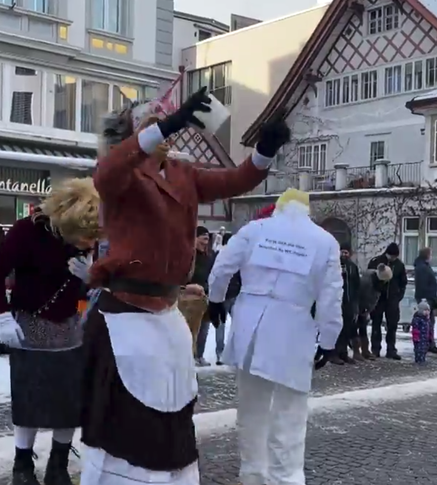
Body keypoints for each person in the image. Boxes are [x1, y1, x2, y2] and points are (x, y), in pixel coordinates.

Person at [80, 87, 289, 485]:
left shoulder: (183, 174)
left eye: (166, 125)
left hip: (166, 313)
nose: (165, 133)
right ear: (133, 133)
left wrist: (265, 148)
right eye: (153, 126)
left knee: (174, 405)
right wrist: (169, 123)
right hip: (126, 316)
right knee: (129, 418)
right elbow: (106, 173)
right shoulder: (121, 173)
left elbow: (235, 180)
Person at [206, 188, 342, 485]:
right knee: (289, 417)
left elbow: (223, 267)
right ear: (307, 211)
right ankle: (287, 479)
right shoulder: (324, 241)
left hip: (250, 328)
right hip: (293, 330)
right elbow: (331, 296)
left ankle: (253, 475)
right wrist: (329, 339)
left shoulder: (255, 229)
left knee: (251, 413)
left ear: (278, 206)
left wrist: (215, 298)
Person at [0, 178, 99, 485]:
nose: (90, 245)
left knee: (69, 402)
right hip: (29, 327)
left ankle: (58, 465)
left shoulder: (88, 235)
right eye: (86, 238)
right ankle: (22, 465)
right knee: (29, 399)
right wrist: (1, 316)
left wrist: (92, 282)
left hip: (71, 329)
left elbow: (88, 289)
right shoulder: (27, 232)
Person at [367, 243, 407, 360]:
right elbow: (370, 278)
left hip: (392, 298)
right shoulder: (376, 261)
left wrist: (398, 296)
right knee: (376, 323)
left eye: (395, 257)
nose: (393, 258)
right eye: (391, 256)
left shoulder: (399, 265)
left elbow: (403, 282)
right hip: (378, 298)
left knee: (392, 324)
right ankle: (375, 349)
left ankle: (391, 349)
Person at [212, 232, 242, 366]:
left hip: (232, 294)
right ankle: (222, 353)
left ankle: (227, 353)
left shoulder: (222, 255)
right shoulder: (223, 255)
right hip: (226, 295)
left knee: (233, 325)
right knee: (225, 325)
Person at [189, 226, 214, 366]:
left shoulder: (209, 257)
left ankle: (200, 355)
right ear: (195, 238)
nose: (206, 242)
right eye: (203, 238)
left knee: (204, 329)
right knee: (192, 329)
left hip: (205, 297)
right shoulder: (189, 256)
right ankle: (190, 356)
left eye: (207, 239)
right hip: (190, 299)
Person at [332, 241, 361, 365]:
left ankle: (343, 352)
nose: (344, 254)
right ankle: (333, 354)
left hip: (349, 302)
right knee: (335, 328)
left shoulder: (352, 267)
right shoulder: (334, 265)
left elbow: (356, 285)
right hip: (337, 302)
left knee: (347, 329)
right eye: (342, 252)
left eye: (346, 252)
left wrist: (355, 302)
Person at [357, 264, 392, 360]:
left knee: (362, 329)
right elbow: (363, 296)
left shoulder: (374, 279)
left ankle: (364, 351)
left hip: (365, 308)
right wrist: (363, 309)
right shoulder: (367, 282)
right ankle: (358, 350)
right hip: (359, 307)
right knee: (356, 329)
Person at [411, 300, 432, 365]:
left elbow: (430, 329)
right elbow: (415, 329)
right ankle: (418, 360)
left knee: (424, 350)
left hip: (425, 338)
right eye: (425, 310)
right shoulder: (417, 319)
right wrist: (416, 337)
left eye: (428, 310)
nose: (427, 312)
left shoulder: (427, 320)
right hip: (419, 338)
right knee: (418, 350)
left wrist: (430, 336)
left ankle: (422, 359)